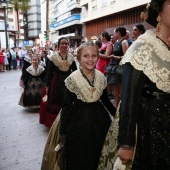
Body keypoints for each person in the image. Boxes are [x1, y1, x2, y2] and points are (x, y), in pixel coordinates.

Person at [98, 0, 170, 169]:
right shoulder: (142, 46)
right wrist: (126, 144)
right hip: (151, 128)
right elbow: (128, 100)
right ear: (158, 12)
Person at [41, 41, 116, 170]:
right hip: (78, 123)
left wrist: (118, 116)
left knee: (98, 153)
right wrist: (63, 133)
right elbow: (66, 107)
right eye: (86, 56)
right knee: (81, 157)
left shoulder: (102, 77)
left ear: (98, 57)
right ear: (79, 58)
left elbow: (105, 100)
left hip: (100, 121)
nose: (90, 59)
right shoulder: (72, 79)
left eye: (93, 55)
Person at [39, 37, 77, 128]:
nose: (64, 45)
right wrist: (47, 85)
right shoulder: (53, 57)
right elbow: (48, 72)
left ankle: (67, 120)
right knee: (56, 99)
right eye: (62, 43)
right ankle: (55, 122)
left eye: (66, 44)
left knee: (68, 99)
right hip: (56, 82)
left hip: (68, 80)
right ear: (58, 45)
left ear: (68, 45)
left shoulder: (71, 57)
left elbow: (75, 70)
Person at [105, 27, 129, 107]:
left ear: (119, 32)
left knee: (120, 87)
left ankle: (120, 106)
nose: (114, 34)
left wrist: (115, 57)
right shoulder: (116, 42)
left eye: (115, 32)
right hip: (114, 67)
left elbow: (126, 56)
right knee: (115, 87)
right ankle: (117, 105)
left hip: (120, 67)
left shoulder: (124, 42)